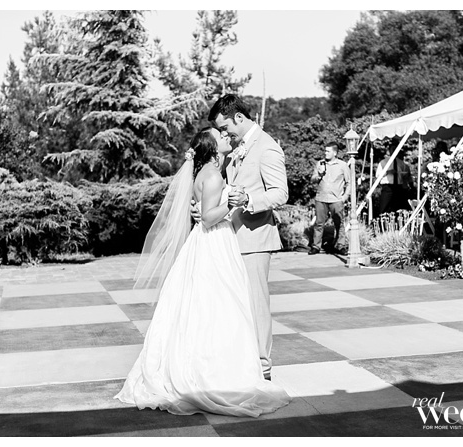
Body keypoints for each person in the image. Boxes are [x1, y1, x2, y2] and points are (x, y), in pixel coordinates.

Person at [114, 127, 291, 417]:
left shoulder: (205, 172)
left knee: (204, 304)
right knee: (220, 303)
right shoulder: (213, 176)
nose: (225, 137)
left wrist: (214, 207)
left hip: (208, 241)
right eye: (220, 136)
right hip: (214, 240)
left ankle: (205, 363)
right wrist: (231, 204)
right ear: (211, 147)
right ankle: (214, 372)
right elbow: (208, 218)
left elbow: (203, 210)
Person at [205, 94, 288, 382]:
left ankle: (263, 368)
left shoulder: (267, 147)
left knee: (256, 304)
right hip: (231, 236)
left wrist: (250, 199)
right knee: (235, 304)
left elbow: (280, 193)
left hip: (255, 239)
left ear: (239, 117)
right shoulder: (236, 148)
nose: (224, 134)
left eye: (225, 127)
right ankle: (241, 362)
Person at [309, 141, 350, 255]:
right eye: (325, 151)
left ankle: (340, 246)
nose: (325, 153)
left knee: (339, 223)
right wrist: (319, 175)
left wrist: (345, 197)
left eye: (328, 151)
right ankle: (316, 246)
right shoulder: (320, 164)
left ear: (335, 153)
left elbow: (349, 182)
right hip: (321, 198)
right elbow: (312, 179)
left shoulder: (342, 165)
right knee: (319, 223)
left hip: (336, 199)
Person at [375, 139, 413, 216]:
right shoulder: (383, 162)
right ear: (389, 150)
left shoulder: (401, 163)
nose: (394, 151)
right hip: (387, 188)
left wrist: (404, 176)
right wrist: (387, 172)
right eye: (392, 149)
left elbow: (407, 176)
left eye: (396, 149)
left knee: (397, 210)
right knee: (383, 209)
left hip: (398, 188)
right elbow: (378, 175)